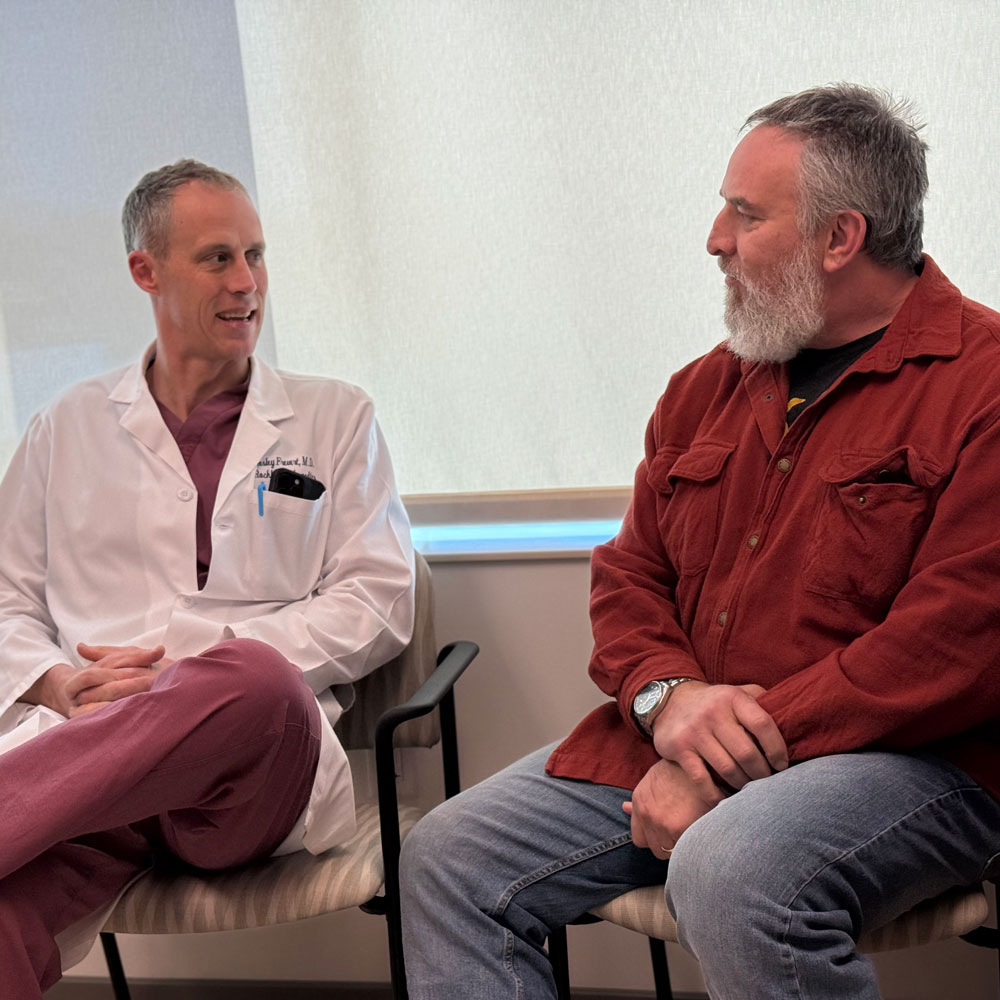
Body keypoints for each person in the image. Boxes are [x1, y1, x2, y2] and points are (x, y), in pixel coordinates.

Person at [399, 84, 1000, 999]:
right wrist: (670, 701)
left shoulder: (983, 384)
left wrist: (730, 758)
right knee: (448, 857)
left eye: (745, 213)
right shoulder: (702, 390)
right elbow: (629, 578)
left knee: (733, 871)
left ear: (840, 239)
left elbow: (956, 640)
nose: (714, 237)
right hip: (684, 741)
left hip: (917, 761)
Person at [0, 160, 415, 996]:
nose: (247, 283)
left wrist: (191, 672)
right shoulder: (64, 426)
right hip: (86, 786)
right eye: (218, 258)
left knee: (256, 679)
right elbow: (6, 594)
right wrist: (59, 682)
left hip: (244, 774)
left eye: (256, 256)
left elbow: (380, 599)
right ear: (144, 271)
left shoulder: (335, 416)